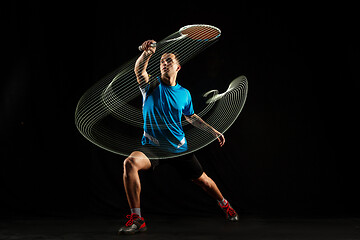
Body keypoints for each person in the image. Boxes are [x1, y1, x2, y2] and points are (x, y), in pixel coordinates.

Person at [118, 40, 238, 235]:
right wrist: (147, 54)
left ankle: (224, 204)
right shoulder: (150, 85)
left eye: (169, 61)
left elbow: (190, 117)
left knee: (205, 182)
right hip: (153, 147)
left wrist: (213, 131)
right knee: (130, 163)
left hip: (178, 148)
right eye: (162, 61)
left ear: (178, 67)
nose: (164, 63)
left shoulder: (184, 94)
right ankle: (138, 219)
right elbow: (139, 70)